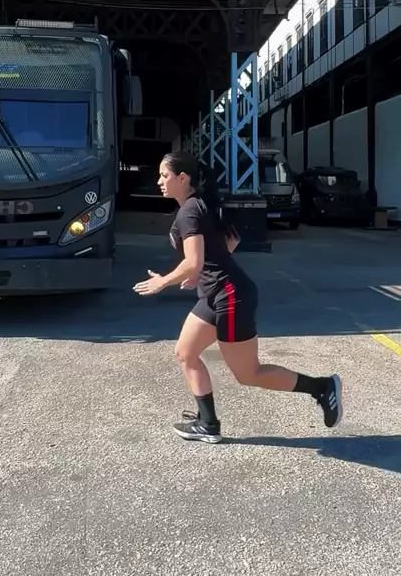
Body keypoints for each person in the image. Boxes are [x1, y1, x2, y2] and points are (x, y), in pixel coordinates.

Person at [133, 150, 343, 444]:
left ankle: (322, 388)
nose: (159, 181)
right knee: (185, 353)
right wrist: (199, 273)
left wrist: (163, 282)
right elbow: (230, 242)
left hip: (230, 296)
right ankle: (208, 424)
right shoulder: (200, 205)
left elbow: (194, 260)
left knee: (248, 373)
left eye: (164, 175)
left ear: (182, 178)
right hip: (216, 294)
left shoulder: (190, 211)